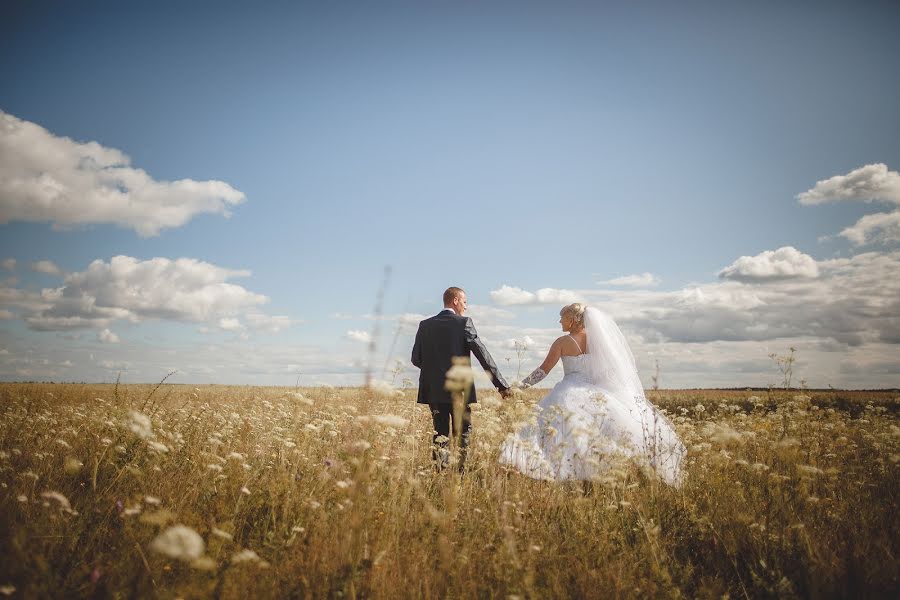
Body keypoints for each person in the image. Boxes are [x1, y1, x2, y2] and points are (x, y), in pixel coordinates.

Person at [498, 303, 686, 486]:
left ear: (572, 320)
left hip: (568, 391)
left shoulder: (562, 342)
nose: (559, 322)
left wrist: (519, 387)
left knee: (556, 435)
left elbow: (543, 370)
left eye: (562, 318)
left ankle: (563, 473)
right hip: (598, 392)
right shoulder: (600, 340)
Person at [412, 287, 510, 471]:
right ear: (455, 301)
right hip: (460, 389)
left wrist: (435, 372)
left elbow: (416, 359)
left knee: (440, 433)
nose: (466, 307)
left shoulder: (425, 325)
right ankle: (461, 473)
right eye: (465, 302)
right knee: (463, 432)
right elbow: (483, 355)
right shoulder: (463, 322)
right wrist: (501, 385)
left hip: (433, 389)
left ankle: (440, 474)